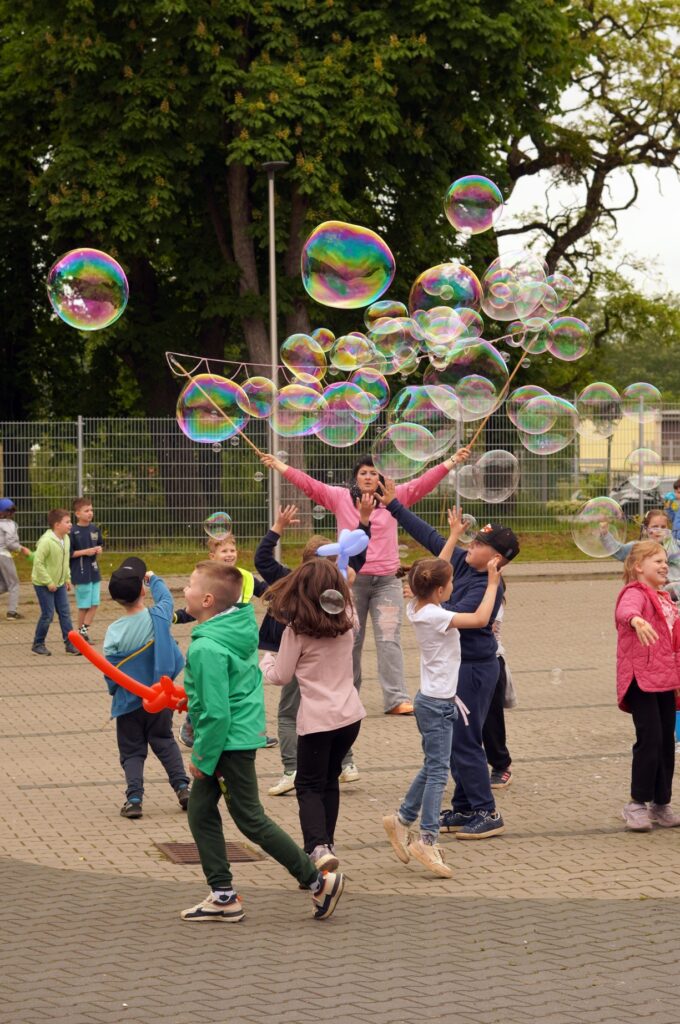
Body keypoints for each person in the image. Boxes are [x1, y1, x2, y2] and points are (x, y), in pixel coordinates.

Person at [180, 561, 345, 922]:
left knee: (251, 820)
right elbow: (226, 689)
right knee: (201, 811)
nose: (183, 591)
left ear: (207, 600)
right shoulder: (233, 629)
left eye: (189, 586)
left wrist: (203, 757)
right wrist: (189, 697)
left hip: (225, 744)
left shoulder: (206, 647)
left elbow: (217, 712)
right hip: (237, 737)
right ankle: (223, 895)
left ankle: (317, 881)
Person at [260, 446, 470, 716]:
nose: (369, 477)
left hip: (387, 582)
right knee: (350, 639)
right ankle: (348, 695)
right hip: (349, 582)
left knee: (388, 638)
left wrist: (452, 460)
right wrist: (279, 465)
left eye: (374, 473)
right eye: (363, 473)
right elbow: (310, 485)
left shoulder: (394, 496)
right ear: (355, 478)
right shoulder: (339, 498)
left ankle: (396, 698)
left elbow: (424, 483)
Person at [379, 484, 520, 839]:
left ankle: (487, 812)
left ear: (496, 558)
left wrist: (428, 600)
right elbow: (429, 536)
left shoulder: (488, 583)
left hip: (475, 670)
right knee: (457, 738)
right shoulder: (460, 563)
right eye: (470, 541)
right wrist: (394, 505)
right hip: (458, 669)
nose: (468, 545)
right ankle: (464, 807)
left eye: (477, 544)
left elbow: (471, 616)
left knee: (465, 741)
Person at [383, 554, 502, 877]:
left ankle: (401, 819)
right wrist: (492, 583)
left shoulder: (419, 607)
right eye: (450, 583)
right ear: (438, 590)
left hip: (434, 701)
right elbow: (479, 619)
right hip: (436, 704)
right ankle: (426, 838)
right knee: (438, 773)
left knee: (433, 765)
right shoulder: (436, 615)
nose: (454, 585)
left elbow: (433, 568)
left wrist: (451, 538)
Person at [255, 496, 372, 796]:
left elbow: (262, 560)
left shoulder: (290, 579)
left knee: (287, 713)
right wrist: (364, 520)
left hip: (296, 660)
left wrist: (277, 528)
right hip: (337, 671)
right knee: (339, 706)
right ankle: (346, 764)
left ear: (304, 563)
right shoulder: (340, 589)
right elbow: (357, 554)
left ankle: (292, 770)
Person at [260, 558, 366, 871]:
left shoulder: (297, 632)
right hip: (350, 717)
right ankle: (327, 844)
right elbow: (346, 599)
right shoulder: (347, 619)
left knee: (307, 786)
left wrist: (266, 661)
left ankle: (317, 848)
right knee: (329, 781)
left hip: (318, 722)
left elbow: (280, 675)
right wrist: (346, 582)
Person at [104, 556, 190, 819]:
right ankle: (183, 788)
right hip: (160, 696)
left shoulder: (114, 630)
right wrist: (154, 578)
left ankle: (134, 798)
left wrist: (115, 690)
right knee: (164, 741)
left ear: (116, 599)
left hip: (128, 702)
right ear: (143, 590)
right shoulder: (159, 615)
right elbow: (166, 598)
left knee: (131, 750)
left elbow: (110, 670)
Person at [174, 533, 276, 750]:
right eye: (224, 551)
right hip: (218, 640)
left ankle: (254, 731)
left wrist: (282, 595)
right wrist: (176, 616)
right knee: (212, 687)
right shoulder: (208, 581)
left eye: (232, 550)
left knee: (245, 685)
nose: (230, 554)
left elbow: (266, 592)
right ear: (213, 555)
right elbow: (195, 608)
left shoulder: (245, 577)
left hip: (240, 638)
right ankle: (191, 727)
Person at [615, 540, 680, 831]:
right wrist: (636, 620)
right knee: (650, 739)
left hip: (666, 679)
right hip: (640, 679)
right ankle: (636, 804)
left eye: (665, 560)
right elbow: (625, 611)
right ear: (638, 566)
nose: (664, 565)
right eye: (657, 561)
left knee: (666, 742)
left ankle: (661, 804)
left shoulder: (667, 598)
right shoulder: (634, 592)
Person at [31, 508, 81, 657]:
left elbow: (65, 562)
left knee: (65, 613)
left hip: (59, 582)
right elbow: (38, 564)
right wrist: (48, 582)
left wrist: (67, 578)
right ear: (57, 525)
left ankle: (70, 644)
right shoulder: (46, 541)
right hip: (43, 583)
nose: (70, 524)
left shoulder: (66, 538)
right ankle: (38, 644)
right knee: (48, 614)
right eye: (67, 522)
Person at [601, 509, 680, 598]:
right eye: (655, 526)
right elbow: (617, 550)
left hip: (675, 598)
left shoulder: (675, 545)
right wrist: (604, 533)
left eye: (663, 527)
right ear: (646, 529)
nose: (659, 530)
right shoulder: (639, 548)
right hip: (648, 596)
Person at [483, 593, 514, 790]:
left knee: (490, 721)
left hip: (490, 661)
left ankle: (501, 765)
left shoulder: (492, 595)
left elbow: (487, 625)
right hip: (461, 662)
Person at [70, 497, 104, 641]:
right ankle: (80, 633)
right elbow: (69, 553)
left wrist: (99, 549)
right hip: (80, 573)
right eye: (86, 511)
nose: (90, 513)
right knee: (84, 605)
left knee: (94, 603)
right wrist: (85, 552)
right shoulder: (72, 531)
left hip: (94, 572)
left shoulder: (95, 529)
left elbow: (100, 544)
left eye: (91, 510)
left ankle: (84, 630)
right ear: (78, 514)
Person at [0, 497, 31, 620]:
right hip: (4, 556)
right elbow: (10, 544)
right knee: (14, 584)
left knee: (4, 585)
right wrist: (22, 549)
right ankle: (12, 612)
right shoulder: (9, 524)